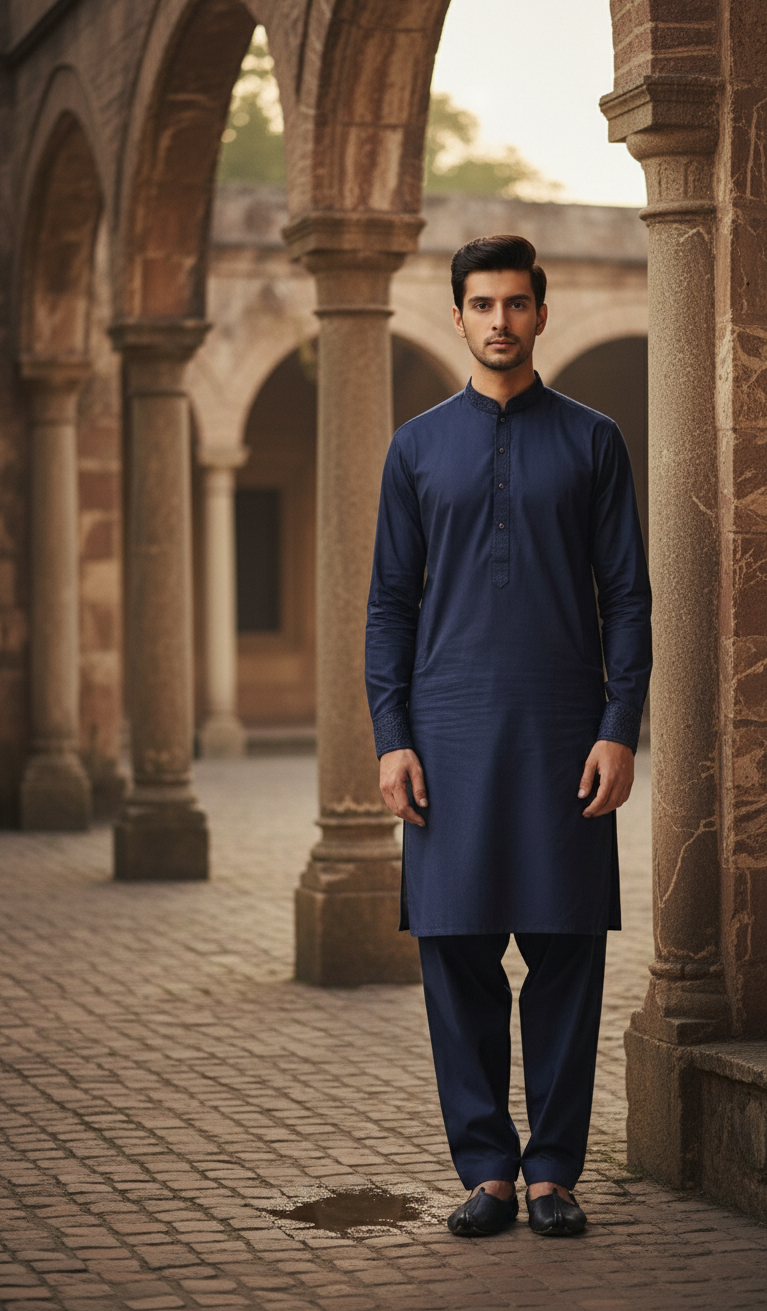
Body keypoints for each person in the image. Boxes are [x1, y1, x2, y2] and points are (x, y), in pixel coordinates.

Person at [365, 235, 651, 1238]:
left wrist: (621, 728)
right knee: (457, 957)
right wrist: (390, 734)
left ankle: (553, 1175)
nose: (499, 320)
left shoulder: (593, 441)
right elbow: (390, 604)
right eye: (481, 303)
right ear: (456, 315)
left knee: (568, 952)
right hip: (444, 738)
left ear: (541, 311)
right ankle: (487, 1169)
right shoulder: (415, 448)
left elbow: (627, 597)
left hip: (565, 733)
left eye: (516, 303)